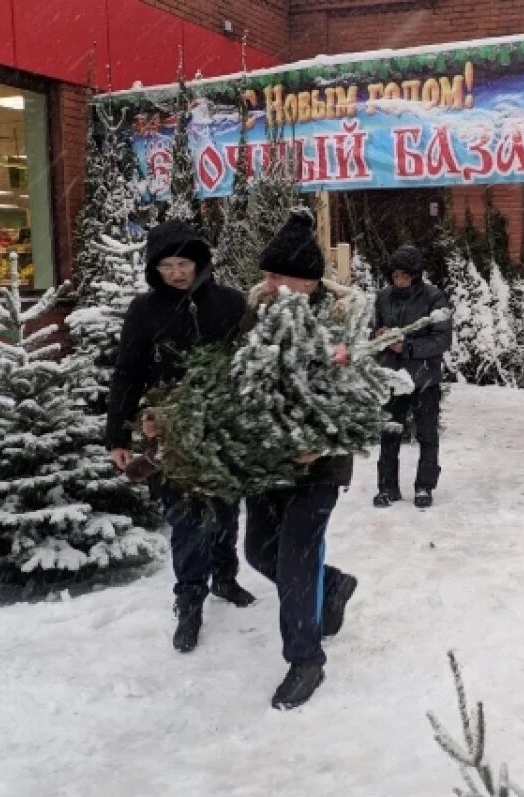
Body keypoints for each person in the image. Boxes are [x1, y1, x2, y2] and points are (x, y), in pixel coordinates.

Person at [105, 219, 255, 654]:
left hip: (221, 427)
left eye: (183, 263)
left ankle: (225, 577)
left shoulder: (229, 304)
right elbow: (127, 372)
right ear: (155, 269)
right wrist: (118, 434)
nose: (176, 272)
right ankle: (189, 601)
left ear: (199, 263)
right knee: (186, 518)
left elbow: (251, 361)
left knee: (226, 508)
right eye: (167, 265)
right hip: (168, 430)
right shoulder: (144, 311)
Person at [242, 209, 360, 710]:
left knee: (295, 561)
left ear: (307, 282)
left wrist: (325, 439)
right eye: (266, 275)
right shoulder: (254, 319)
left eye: (276, 275)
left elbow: (362, 397)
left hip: (318, 468)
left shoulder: (343, 324)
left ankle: (305, 660)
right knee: (259, 554)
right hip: (265, 462)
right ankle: (333, 583)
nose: (266, 284)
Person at [371, 245, 452, 509]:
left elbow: (441, 340)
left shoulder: (434, 298)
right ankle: (386, 487)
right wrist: (378, 336)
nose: (399, 280)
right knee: (389, 431)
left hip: (424, 377)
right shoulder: (383, 297)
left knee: (426, 433)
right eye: (395, 275)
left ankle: (424, 486)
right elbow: (371, 330)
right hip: (393, 376)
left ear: (415, 275)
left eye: (404, 275)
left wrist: (406, 347)